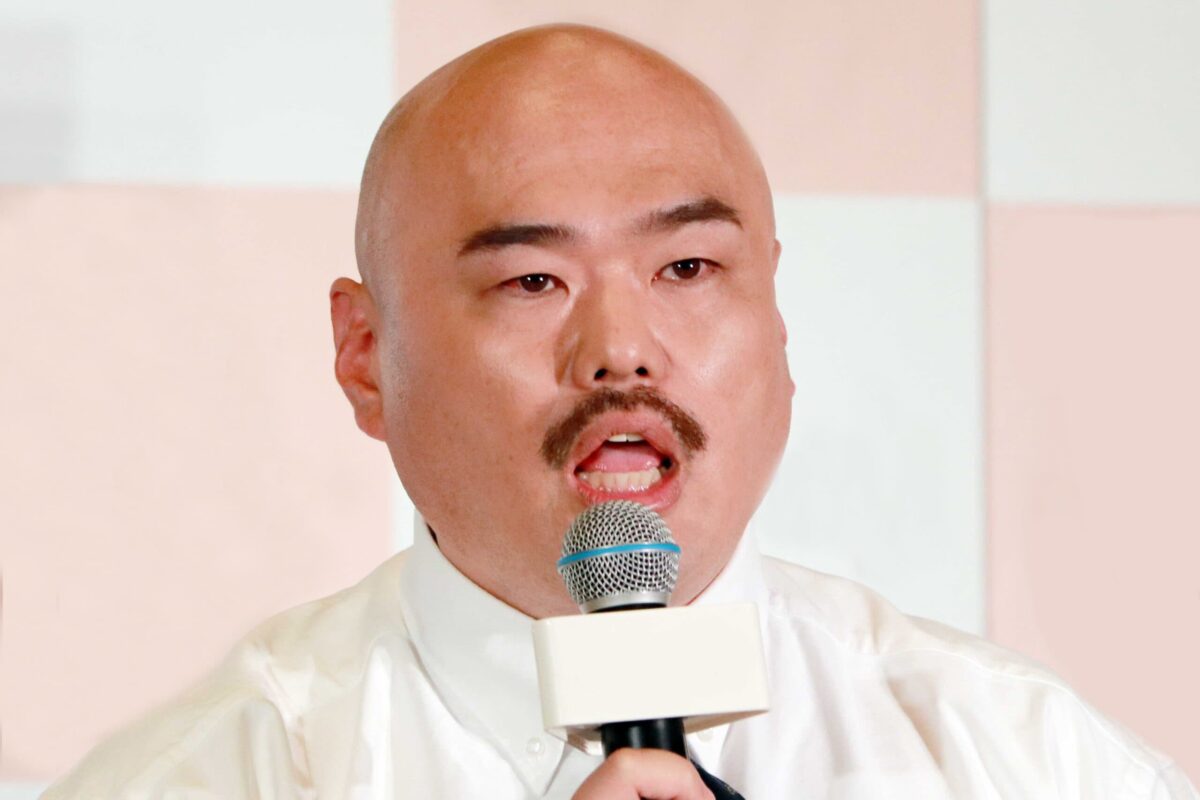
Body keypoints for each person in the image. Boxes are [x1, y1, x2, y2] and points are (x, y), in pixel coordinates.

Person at [45, 24, 1195, 800]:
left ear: (778, 320)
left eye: (688, 268)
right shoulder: (211, 774)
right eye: (532, 280)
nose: (621, 351)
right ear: (365, 357)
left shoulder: (1025, 760)